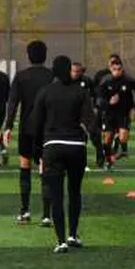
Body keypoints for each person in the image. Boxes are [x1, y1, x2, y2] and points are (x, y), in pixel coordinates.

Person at [30, 56, 94, 253]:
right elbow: (90, 121)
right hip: (76, 146)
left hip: (53, 146)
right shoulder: (81, 92)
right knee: (75, 192)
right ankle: (72, 234)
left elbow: (36, 124)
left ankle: (60, 241)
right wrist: (100, 149)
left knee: (56, 194)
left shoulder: (45, 92)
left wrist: (37, 151)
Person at [3, 40, 53, 226]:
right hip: (47, 129)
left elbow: (13, 104)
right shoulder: (52, 76)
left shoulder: (21, 76)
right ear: (45, 55)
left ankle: (25, 211)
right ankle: (46, 215)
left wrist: (8, 126)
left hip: (27, 128)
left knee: (24, 167)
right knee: (45, 169)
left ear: (28, 56)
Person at [98, 58, 135, 163]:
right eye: (114, 69)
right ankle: (108, 159)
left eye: (119, 69)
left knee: (123, 137)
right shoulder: (106, 82)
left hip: (123, 113)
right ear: (110, 69)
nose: (117, 71)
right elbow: (99, 99)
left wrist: (134, 108)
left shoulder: (129, 81)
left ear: (122, 69)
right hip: (109, 114)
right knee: (107, 139)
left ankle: (123, 151)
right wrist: (109, 102)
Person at [91, 55, 120, 168]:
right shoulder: (100, 74)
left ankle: (106, 157)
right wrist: (95, 105)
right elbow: (94, 90)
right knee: (94, 133)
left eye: (116, 62)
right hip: (100, 108)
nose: (113, 64)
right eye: (112, 62)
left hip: (114, 110)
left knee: (110, 134)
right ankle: (101, 152)